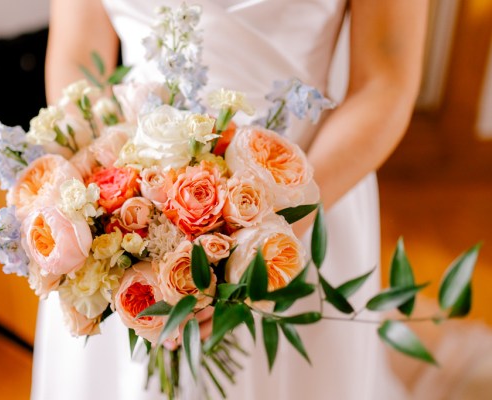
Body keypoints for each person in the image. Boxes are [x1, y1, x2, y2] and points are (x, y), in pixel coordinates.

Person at [32, 0, 429, 399]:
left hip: (309, 187)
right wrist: (114, 206)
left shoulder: (287, 216)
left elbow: (384, 82)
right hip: (125, 212)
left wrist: (262, 233)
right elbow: (77, 55)